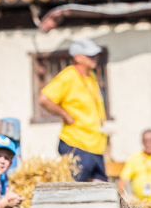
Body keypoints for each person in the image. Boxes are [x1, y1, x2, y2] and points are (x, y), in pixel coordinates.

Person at [37, 38, 109, 182]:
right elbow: (44, 99)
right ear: (78, 57)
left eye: (96, 55)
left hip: (94, 145)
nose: (95, 58)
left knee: (101, 190)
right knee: (74, 190)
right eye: (90, 55)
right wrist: (66, 114)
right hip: (77, 144)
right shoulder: (68, 75)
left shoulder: (91, 76)